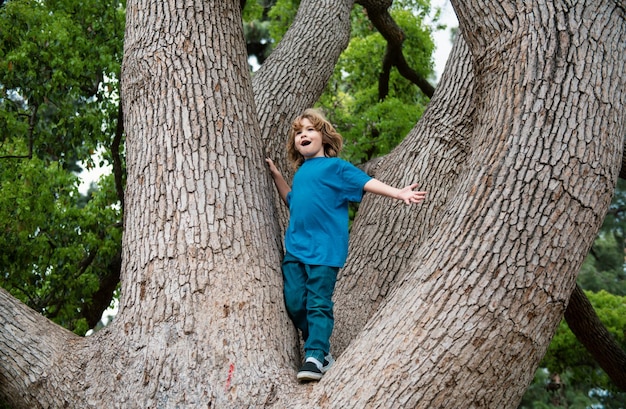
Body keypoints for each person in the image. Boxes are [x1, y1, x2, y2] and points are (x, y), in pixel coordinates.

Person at [265, 108, 426, 382]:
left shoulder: (335, 167)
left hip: (325, 251)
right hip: (295, 248)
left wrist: (398, 192)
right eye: (298, 132)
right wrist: (277, 176)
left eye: (310, 129)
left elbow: (365, 181)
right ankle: (319, 345)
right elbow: (292, 202)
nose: (303, 134)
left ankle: (316, 354)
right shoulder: (302, 173)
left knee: (318, 303)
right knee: (294, 302)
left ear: (324, 138)